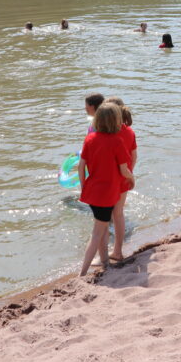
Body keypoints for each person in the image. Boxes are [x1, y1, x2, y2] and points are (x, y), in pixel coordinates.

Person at [78, 103, 135, 277]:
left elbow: (81, 167)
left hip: (92, 191)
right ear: (116, 120)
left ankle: (105, 263)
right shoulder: (117, 141)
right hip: (107, 194)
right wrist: (131, 179)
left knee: (101, 230)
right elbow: (124, 169)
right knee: (97, 233)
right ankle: (82, 272)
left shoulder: (89, 139)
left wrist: (83, 187)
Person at [103, 96, 137, 262]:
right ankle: (117, 250)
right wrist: (129, 174)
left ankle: (103, 251)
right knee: (119, 213)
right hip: (124, 177)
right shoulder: (129, 131)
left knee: (104, 215)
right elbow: (134, 156)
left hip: (107, 178)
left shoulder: (106, 133)